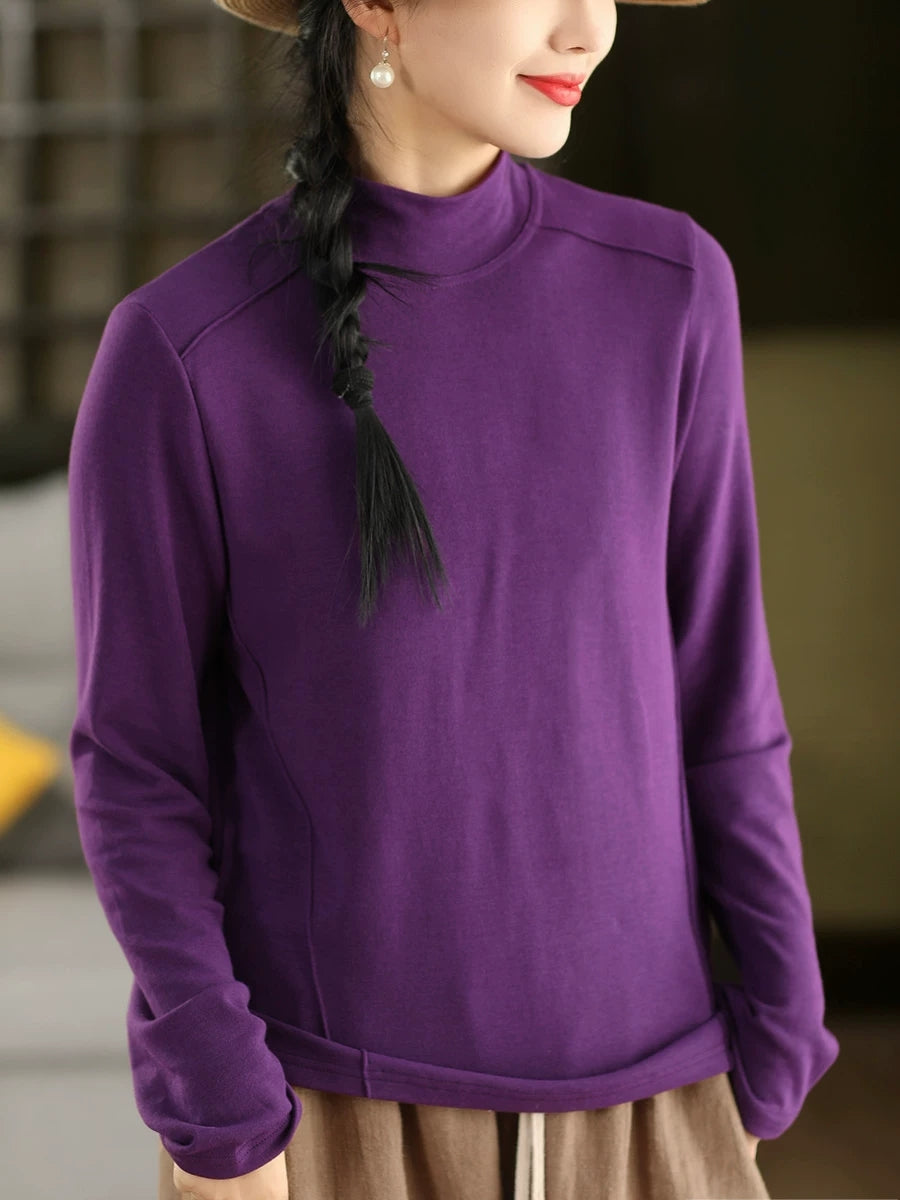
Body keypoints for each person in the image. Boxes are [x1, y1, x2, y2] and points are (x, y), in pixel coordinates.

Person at [66, 0, 840, 1197]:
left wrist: (781, 1037)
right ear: (375, 2)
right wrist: (222, 1109)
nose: (589, 30)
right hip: (325, 1120)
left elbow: (724, 699)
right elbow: (137, 768)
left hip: (664, 1104)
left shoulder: (671, 288)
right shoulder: (184, 349)